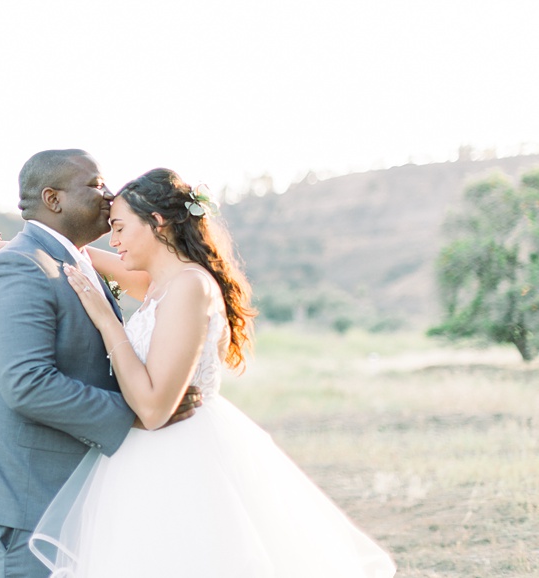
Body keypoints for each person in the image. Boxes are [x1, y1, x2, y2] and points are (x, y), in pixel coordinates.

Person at [24, 167, 397, 576]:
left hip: (183, 453)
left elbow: (152, 410)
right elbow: (72, 255)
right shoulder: (158, 284)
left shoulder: (189, 286)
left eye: (119, 228)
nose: (113, 240)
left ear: (158, 222)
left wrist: (107, 321)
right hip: (140, 457)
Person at [0, 150, 200, 578]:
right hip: (17, 500)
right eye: (96, 185)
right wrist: (139, 415)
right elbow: (28, 384)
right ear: (54, 198)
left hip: (54, 494)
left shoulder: (71, 262)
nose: (110, 194)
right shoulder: (18, 268)